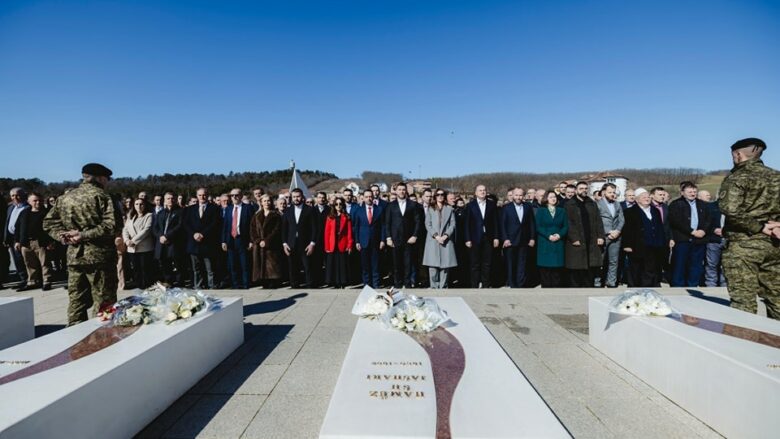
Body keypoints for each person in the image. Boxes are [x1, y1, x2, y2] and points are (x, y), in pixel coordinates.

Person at [43, 163, 118, 326]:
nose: (107, 182)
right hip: (99, 258)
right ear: (99, 178)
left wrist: (63, 237)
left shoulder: (65, 198)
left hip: (74, 258)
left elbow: (48, 223)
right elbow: (111, 226)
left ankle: (74, 338)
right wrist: (82, 235)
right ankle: (103, 338)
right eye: (107, 179)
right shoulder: (102, 196)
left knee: (76, 302)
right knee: (104, 302)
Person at [719, 138, 780, 319]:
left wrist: (760, 227)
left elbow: (730, 209)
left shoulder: (737, 177)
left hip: (744, 245)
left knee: (743, 303)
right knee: (777, 299)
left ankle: (743, 345)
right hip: (774, 246)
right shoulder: (777, 176)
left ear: (738, 154)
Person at [622, 188, 668, 287]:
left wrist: (663, 243)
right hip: (637, 246)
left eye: (648, 197)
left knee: (652, 269)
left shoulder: (655, 211)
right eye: (643, 197)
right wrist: (627, 245)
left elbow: (660, 228)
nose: (646, 199)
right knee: (637, 270)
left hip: (655, 245)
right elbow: (627, 230)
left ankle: (651, 288)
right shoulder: (630, 212)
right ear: (637, 199)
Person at [668, 181, 711, 287]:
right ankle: (678, 288)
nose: (693, 194)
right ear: (682, 192)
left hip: (699, 240)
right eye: (690, 192)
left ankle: (693, 286)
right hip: (683, 239)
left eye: (694, 191)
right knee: (680, 266)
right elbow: (675, 221)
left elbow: (709, 219)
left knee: (696, 266)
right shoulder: (676, 204)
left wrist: (703, 230)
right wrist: (692, 231)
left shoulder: (703, 205)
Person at [564, 182, 604, 287]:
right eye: (581, 188)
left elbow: (598, 221)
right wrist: (574, 238)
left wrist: (600, 236)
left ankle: (588, 289)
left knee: (590, 267)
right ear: (576, 190)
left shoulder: (592, 203)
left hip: (591, 240)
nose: (584, 190)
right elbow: (568, 223)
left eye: (586, 188)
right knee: (577, 267)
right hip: (577, 240)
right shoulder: (569, 204)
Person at [384, 182, 422, 289]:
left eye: (403, 189)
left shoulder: (412, 205)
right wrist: (388, 237)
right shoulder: (390, 206)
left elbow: (417, 222)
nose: (401, 191)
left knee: (408, 264)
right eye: (399, 189)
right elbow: (387, 223)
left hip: (409, 239)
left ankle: (408, 284)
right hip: (395, 240)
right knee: (396, 265)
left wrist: (415, 235)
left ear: (406, 191)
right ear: (396, 191)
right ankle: (397, 285)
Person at [183, 188, 221, 289]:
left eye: (204, 195)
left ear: (207, 195)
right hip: (194, 243)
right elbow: (186, 224)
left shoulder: (215, 208)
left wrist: (202, 234)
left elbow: (215, 224)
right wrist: (194, 234)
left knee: (210, 269)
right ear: (197, 196)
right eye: (199, 195)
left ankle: (212, 287)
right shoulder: (190, 209)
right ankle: (198, 287)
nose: (202, 197)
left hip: (208, 243)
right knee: (196, 269)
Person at [15, 192, 54, 291]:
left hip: (41, 242)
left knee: (45, 263)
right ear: (29, 201)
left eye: (40, 200)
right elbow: (17, 227)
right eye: (35, 200)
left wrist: (51, 241)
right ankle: (32, 281)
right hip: (26, 242)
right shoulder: (24, 213)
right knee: (29, 263)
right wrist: (17, 241)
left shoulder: (47, 212)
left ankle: (47, 281)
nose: (38, 202)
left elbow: (52, 228)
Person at [463, 185, 499, 288]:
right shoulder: (470, 206)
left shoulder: (492, 205)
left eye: (484, 190)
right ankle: (474, 285)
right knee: (475, 263)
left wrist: (496, 237)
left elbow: (495, 222)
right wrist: (467, 239)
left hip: (488, 237)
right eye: (480, 190)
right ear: (476, 193)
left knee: (487, 263)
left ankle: (485, 284)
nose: (482, 192)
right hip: (474, 238)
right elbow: (467, 224)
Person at [282, 188, 318, 288]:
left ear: (302, 197)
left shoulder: (310, 210)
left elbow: (315, 228)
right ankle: (294, 285)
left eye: (298, 196)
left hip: (306, 244)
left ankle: (310, 284)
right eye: (294, 197)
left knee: (308, 266)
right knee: (293, 267)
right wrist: (284, 244)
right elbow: (284, 229)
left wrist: (312, 243)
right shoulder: (288, 211)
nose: (296, 199)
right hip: (291, 244)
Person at [500, 188, 536, 288]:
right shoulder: (506, 208)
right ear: (513, 195)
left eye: (520, 195)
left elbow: (532, 223)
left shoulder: (528, 207)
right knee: (511, 264)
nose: (518, 197)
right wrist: (505, 239)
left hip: (524, 240)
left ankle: (520, 284)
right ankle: (512, 284)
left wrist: (532, 238)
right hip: (510, 241)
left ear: (523, 196)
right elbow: (502, 225)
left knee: (522, 263)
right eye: (516, 195)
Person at [423, 189, 457, 289]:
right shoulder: (430, 208)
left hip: (446, 240)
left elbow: (453, 224)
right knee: (432, 266)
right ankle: (434, 287)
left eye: (442, 194)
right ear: (435, 196)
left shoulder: (449, 209)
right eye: (438, 194)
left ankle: (443, 287)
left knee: (445, 266)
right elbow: (427, 224)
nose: (440, 196)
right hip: (433, 239)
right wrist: (436, 236)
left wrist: (446, 235)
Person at [221, 188, 253, 289]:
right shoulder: (229, 209)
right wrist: (223, 241)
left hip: (243, 239)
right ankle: (235, 284)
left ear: (241, 196)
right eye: (232, 195)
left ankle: (245, 284)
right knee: (233, 264)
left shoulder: (248, 208)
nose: (234, 197)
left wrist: (251, 241)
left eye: (236, 195)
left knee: (244, 264)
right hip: (231, 240)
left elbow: (252, 226)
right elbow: (225, 226)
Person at [535, 190, 568, 287]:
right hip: (545, 241)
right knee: (545, 270)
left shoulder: (562, 211)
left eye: (554, 197)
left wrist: (559, 235)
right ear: (546, 199)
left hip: (558, 243)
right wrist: (548, 235)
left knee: (556, 270)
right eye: (550, 197)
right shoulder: (541, 211)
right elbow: (538, 226)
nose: (553, 199)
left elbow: (565, 226)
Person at [353, 189, 385, 288]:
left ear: (373, 197)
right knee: (365, 265)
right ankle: (367, 285)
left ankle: (376, 284)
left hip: (376, 241)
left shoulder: (379, 209)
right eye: (366, 197)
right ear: (363, 198)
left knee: (375, 264)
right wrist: (357, 241)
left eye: (370, 196)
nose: (369, 198)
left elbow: (383, 226)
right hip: (363, 241)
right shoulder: (359, 210)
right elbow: (356, 227)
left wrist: (382, 240)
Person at [250, 194, 283, 288]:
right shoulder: (256, 216)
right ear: (261, 202)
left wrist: (267, 241)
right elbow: (252, 230)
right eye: (264, 201)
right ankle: (263, 281)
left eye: (268, 201)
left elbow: (276, 230)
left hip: (272, 245)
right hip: (259, 245)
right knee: (261, 264)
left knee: (272, 265)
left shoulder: (276, 215)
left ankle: (273, 282)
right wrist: (258, 240)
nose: (267, 203)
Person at [153, 192, 186, 287]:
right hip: (162, 244)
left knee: (179, 266)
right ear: (164, 200)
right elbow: (155, 228)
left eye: (172, 198)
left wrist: (167, 236)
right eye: (168, 198)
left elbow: (180, 226)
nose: (170, 200)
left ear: (175, 199)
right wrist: (160, 236)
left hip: (175, 243)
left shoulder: (181, 212)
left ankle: (180, 285)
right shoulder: (160, 213)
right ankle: (169, 283)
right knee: (165, 265)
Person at [122, 198, 155, 289]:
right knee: (136, 269)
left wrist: (133, 241)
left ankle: (147, 287)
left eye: (141, 204)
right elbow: (125, 229)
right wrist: (126, 240)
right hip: (132, 248)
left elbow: (146, 230)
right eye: (136, 204)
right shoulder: (130, 216)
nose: (139, 206)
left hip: (145, 247)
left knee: (145, 269)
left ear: (145, 205)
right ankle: (139, 286)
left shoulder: (149, 215)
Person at [596, 183, 624, 288]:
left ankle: (611, 282)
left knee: (614, 260)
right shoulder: (597, 204)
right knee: (600, 260)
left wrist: (617, 231)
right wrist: (608, 232)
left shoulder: (617, 204)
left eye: (614, 192)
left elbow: (621, 219)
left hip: (616, 236)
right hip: (604, 236)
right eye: (610, 192)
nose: (612, 194)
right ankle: (597, 281)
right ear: (604, 192)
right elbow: (597, 221)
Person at [323, 197, 354, 288]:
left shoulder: (346, 216)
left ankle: (342, 282)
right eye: (336, 204)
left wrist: (349, 245)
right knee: (333, 263)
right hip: (332, 243)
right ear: (334, 205)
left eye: (340, 204)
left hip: (342, 243)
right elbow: (327, 233)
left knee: (342, 263)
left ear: (343, 205)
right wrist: (327, 246)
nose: (338, 206)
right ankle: (334, 282)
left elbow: (349, 232)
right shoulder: (330, 217)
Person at [5, 187, 30, 289]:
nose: (15, 197)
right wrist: (6, 238)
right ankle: (22, 279)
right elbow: (7, 223)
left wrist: (19, 240)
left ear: (23, 195)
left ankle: (29, 279)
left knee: (24, 260)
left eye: (17, 195)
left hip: (21, 238)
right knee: (17, 261)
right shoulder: (10, 208)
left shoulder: (28, 207)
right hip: (11, 238)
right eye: (12, 195)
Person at [701, 191, 726, 287]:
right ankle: (710, 285)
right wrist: (713, 229)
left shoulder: (735, 208)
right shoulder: (710, 207)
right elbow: (704, 222)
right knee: (711, 265)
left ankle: (724, 286)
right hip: (713, 240)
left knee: (726, 265)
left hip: (729, 240)